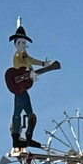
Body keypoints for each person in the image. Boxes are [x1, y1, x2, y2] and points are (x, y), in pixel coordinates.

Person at [6, 21, 55, 150]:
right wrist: (30, 72)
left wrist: (43, 64)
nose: (23, 45)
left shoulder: (24, 55)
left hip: (23, 89)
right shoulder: (18, 55)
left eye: (24, 43)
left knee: (31, 115)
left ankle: (28, 138)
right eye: (20, 43)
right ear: (16, 44)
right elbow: (25, 65)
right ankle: (16, 139)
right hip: (19, 89)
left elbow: (31, 60)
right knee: (17, 113)